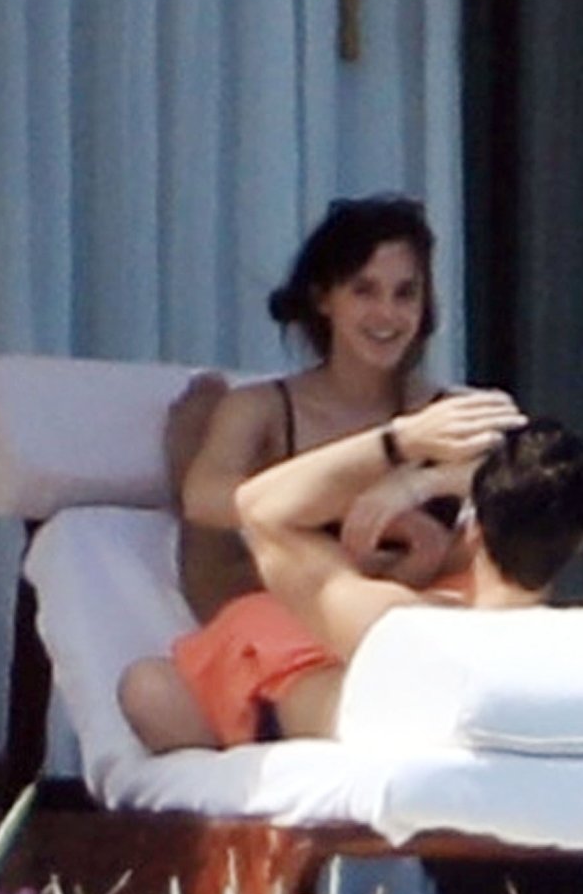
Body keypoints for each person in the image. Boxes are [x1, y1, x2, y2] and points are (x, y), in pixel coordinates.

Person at [120, 391, 583, 752]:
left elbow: (261, 508)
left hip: (273, 709)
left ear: (473, 529)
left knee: (146, 687)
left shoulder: (402, 626)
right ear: (580, 543)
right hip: (300, 675)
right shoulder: (576, 651)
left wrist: (401, 448)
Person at [171, 195, 457, 622]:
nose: (387, 313)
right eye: (364, 290)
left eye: (405, 294)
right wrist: (379, 514)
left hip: (418, 627)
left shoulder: (446, 415)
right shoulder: (263, 408)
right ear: (324, 298)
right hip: (294, 626)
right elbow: (204, 497)